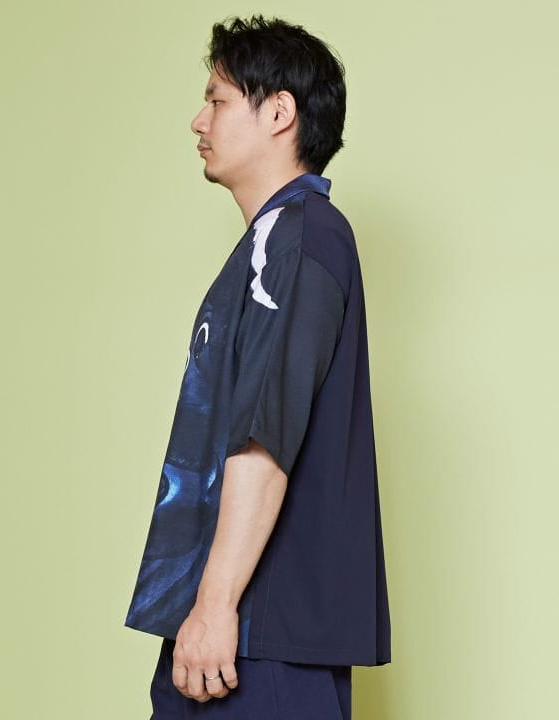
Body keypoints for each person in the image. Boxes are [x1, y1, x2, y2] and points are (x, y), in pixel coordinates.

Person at [124, 14, 391, 718]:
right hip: (230, 629)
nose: (198, 120)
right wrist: (204, 610)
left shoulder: (298, 236)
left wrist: (216, 605)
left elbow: (264, 436)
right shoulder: (274, 242)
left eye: (216, 100)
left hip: (256, 637)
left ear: (278, 112)